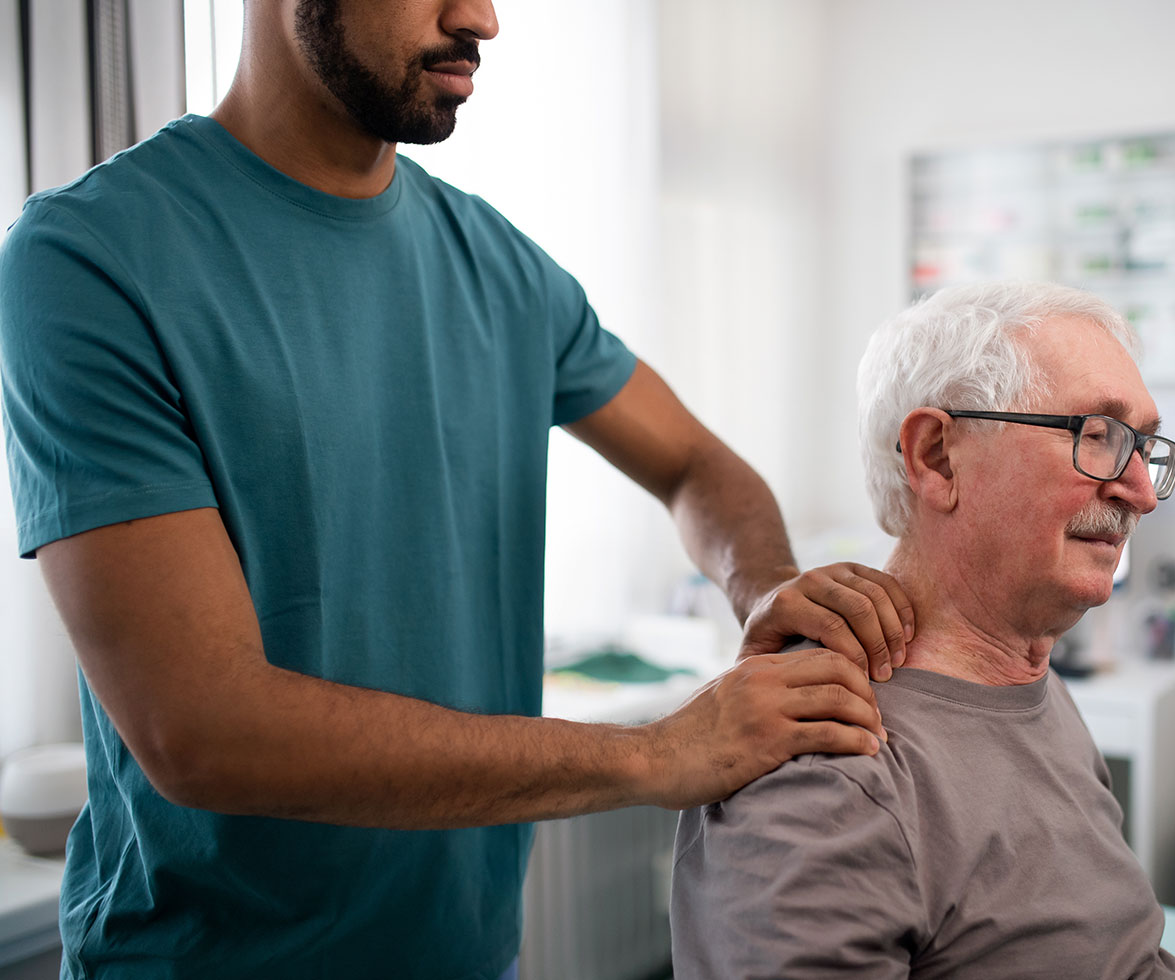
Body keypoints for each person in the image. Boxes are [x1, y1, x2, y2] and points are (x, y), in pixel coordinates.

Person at [0, 2, 916, 978]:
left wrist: (763, 582)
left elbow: (694, 463)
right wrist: (656, 753)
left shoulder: (504, 267)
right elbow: (202, 730)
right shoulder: (92, 258)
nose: (479, 18)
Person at [670, 281, 1175, 979]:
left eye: (1144, 446)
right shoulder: (828, 771)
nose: (1141, 492)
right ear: (937, 457)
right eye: (1097, 436)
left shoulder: (1033, 684)